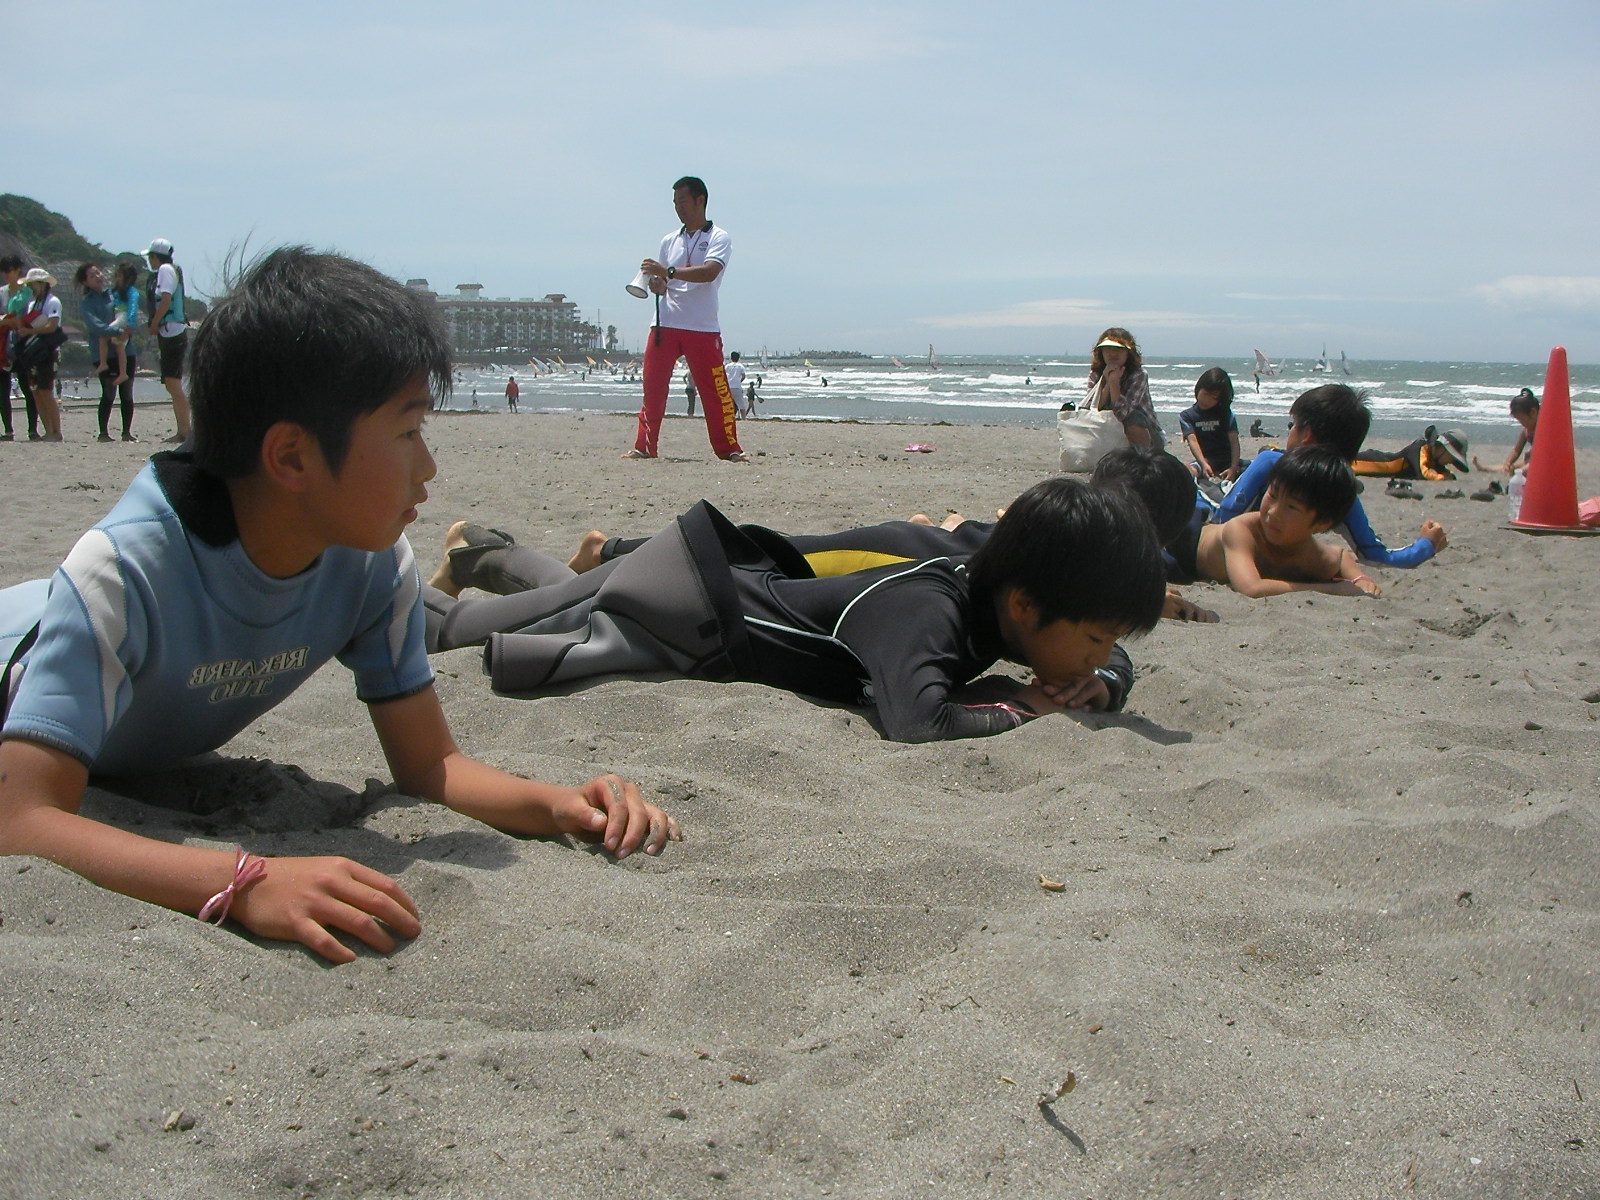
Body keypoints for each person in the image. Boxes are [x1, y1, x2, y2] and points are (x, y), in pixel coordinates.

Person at [0, 247, 679, 965]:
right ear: (292, 457)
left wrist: (557, 803)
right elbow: (21, 819)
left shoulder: (370, 564)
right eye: (407, 431)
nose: (428, 466)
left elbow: (430, 764)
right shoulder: (122, 575)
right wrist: (244, 881)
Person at [422, 477, 1167, 742]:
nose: (1101, 654)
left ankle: (478, 552)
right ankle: (396, 584)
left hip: (702, 586)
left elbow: (1109, 649)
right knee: (456, 632)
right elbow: (916, 720)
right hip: (682, 611)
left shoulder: (1001, 589)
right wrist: (1029, 706)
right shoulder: (930, 610)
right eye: (1096, 640)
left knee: (568, 593)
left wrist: (1106, 680)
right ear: (1025, 606)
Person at [1214, 384, 1446, 568]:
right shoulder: (1340, 491)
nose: (1290, 431)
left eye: (1292, 425)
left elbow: (1223, 516)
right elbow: (1376, 555)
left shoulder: (1271, 462)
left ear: (1306, 434)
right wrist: (1426, 544)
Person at [624, 176, 748, 462]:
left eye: (682, 201)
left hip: (702, 326)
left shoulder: (718, 236)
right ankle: (645, 447)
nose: (678, 207)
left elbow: (709, 272)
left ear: (699, 200)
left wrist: (667, 272)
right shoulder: (669, 240)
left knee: (714, 391)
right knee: (653, 388)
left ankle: (729, 449)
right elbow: (665, 283)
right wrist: (658, 284)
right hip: (665, 323)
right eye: (674, 203)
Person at [1170, 447, 1381, 599]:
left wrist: (1359, 578)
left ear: (1322, 523)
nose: (1273, 512)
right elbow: (1250, 588)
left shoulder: (1312, 555)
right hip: (1182, 542)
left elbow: (1340, 556)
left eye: (1292, 507)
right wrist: (1330, 589)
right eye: (1272, 495)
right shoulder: (1243, 530)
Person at [75, 262, 140, 441]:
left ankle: (126, 432)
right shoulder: (87, 302)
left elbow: (127, 312)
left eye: (98, 272)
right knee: (109, 392)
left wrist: (128, 327)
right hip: (103, 352)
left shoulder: (115, 294)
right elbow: (95, 326)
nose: (98, 277)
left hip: (126, 349)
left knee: (127, 392)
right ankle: (103, 433)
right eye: (92, 276)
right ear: (85, 282)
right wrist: (117, 331)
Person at [144, 237, 192, 442]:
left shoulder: (165, 270)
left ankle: (185, 431)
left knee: (173, 382)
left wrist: (154, 322)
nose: (149, 261)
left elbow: (165, 299)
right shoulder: (168, 270)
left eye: (150, 257)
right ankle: (183, 430)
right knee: (172, 383)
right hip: (170, 331)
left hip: (172, 332)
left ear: (155, 257)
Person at [1086, 328, 1162, 449]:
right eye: (1108, 349)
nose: (1113, 353)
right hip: (1109, 433)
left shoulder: (1138, 374)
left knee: (1134, 418)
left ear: (1128, 353)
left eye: (1118, 349)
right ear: (1101, 352)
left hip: (1148, 435)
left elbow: (1124, 413)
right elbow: (1091, 408)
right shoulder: (1095, 374)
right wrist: (1107, 382)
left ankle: (1144, 456)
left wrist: (1114, 383)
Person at [13, 268, 65, 440]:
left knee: (46, 390)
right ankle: (48, 430)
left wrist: (29, 331)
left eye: (32, 284)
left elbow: (52, 326)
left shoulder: (53, 302)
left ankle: (56, 431)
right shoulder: (31, 305)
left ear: (42, 284)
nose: (31, 288)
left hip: (49, 351)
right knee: (36, 391)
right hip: (34, 351)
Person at [1178, 367, 1244, 482]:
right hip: (1205, 460)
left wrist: (1233, 467)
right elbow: (1193, 441)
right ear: (1199, 388)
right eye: (1205, 394)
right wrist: (1203, 464)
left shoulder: (1226, 414)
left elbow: (1234, 442)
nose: (1207, 400)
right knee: (1186, 470)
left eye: (1213, 398)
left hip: (1228, 460)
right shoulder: (1187, 416)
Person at [1352, 425, 1469, 481]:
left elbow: (1446, 473)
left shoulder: (1433, 457)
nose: (1450, 462)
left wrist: (1448, 475)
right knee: (1346, 465)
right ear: (1443, 449)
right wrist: (1443, 477)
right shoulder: (1420, 448)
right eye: (1452, 457)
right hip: (1372, 462)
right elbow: (1422, 474)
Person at [1472, 388, 1538, 475]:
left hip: (1541, 461)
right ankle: (1484, 468)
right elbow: (1517, 450)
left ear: (1533, 412)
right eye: (1519, 420)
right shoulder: (1526, 430)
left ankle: (1517, 471)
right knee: (1509, 467)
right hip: (1530, 460)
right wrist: (1508, 462)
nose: (1521, 423)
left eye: (1523, 419)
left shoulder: (1543, 428)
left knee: (1522, 470)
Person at [0, 254, 30, 440]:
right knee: (3, 390)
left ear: (18, 270)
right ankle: (8, 430)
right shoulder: (1, 292)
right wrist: (8, 321)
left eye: (9, 270)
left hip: (23, 342)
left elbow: (29, 316)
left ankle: (33, 429)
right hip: (3, 343)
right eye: (3, 271)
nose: (6, 274)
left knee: (27, 387)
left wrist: (11, 321)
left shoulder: (27, 292)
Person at [724, 351, 749, 416]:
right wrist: (739, 381)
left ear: (731, 358)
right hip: (737, 387)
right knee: (741, 405)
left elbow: (724, 376)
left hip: (729, 387)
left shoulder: (727, 366)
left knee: (728, 404)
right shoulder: (740, 366)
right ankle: (743, 417)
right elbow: (743, 376)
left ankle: (729, 417)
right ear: (738, 358)